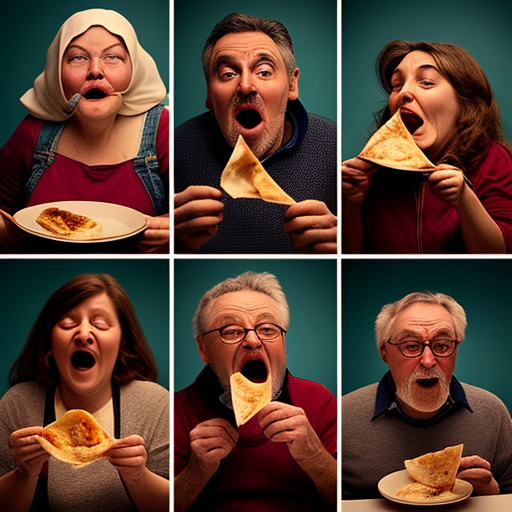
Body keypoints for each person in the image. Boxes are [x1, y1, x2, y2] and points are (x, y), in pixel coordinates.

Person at [0, 9, 169, 253]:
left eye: (112, 57)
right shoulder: (32, 131)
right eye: (78, 58)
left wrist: (173, 230)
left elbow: (194, 213)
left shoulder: (162, 128)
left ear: (134, 70)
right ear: (56, 73)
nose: (95, 70)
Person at [0, 274, 169, 512]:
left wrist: (139, 477)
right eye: (68, 323)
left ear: (122, 341)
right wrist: (24, 473)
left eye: (100, 324)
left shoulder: (155, 403)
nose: (83, 334)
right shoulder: (19, 404)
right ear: (50, 342)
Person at [174, 13, 337, 254]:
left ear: (292, 85)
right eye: (228, 74)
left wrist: (341, 244)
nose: (246, 86)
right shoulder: (179, 145)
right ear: (209, 93)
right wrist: (173, 242)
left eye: (264, 71)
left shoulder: (331, 144)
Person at [174, 271, 337, 511]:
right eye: (231, 331)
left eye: (268, 328)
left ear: (283, 341)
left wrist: (313, 454)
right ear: (203, 348)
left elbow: (343, 501)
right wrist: (197, 470)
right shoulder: (176, 409)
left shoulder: (318, 399)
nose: (252, 340)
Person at [342, 40, 512, 254]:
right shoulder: (372, 174)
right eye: (397, 84)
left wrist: (464, 199)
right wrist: (351, 202)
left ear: (465, 104)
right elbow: (352, 254)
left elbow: (500, 253)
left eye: (426, 82)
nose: (404, 92)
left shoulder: (492, 159)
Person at [342, 291, 512, 499]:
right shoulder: (343, 416)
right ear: (384, 352)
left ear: (455, 349)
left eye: (441, 345)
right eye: (411, 346)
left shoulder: (493, 413)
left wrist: (491, 495)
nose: (428, 361)